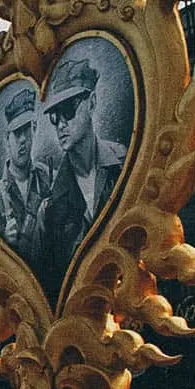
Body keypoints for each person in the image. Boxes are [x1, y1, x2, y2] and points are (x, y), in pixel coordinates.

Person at [37, 58, 127, 301]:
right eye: (54, 116)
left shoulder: (124, 164)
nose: (61, 124)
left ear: (92, 103)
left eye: (68, 110)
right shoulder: (50, 208)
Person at [0, 87, 49, 268]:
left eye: (27, 130)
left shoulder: (45, 178)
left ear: (34, 130)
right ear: (8, 138)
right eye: (17, 132)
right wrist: (4, 241)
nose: (23, 139)